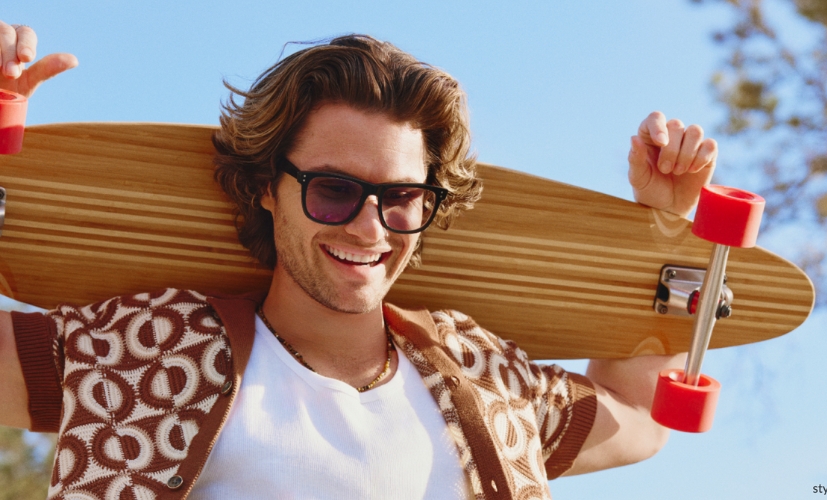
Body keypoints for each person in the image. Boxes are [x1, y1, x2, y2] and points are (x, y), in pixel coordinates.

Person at [0, 23, 718, 500]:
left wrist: (661, 228)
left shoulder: (484, 380)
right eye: (334, 190)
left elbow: (640, 418)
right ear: (265, 190)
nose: (370, 226)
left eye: (401, 196)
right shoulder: (150, 353)